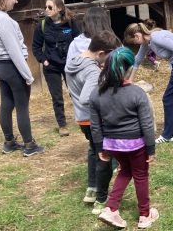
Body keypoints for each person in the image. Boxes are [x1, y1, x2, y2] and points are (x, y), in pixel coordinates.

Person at [90, 47, 159, 229]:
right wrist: (151, 148)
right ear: (130, 68)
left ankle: (111, 209)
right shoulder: (137, 93)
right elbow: (147, 123)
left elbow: (95, 125)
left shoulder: (96, 93)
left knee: (125, 170)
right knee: (141, 175)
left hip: (112, 144)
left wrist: (100, 148)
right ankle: (145, 215)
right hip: (136, 144)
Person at [0, 0, 45, 157]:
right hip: (11, 66)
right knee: (22, 106)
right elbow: (14, 51)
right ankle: (29, 145)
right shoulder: (4, 21)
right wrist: (27, 75)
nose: (16, 2)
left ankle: (9, 142)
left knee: (6, 103)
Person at [65, 30, 121, 214]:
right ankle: (101, 199)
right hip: (94, 119)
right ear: (100, 53)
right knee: (105, 156)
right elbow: (86, 98)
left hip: (82, 119)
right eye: (107, 57)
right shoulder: (91, 70)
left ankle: (91, 188)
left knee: (93, 151)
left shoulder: (73, 61)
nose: (106, 62)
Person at [124, 23, 173, 143]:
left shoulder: (156, 37)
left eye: (133, 41)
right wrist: (130, 80)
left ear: (137, 35)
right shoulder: (147, 42)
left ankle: (167, 135)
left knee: (168, 99)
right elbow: (138, 60)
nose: (135, 44)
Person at [32, 0, 81, 137]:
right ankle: (62, 125)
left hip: (69, 65)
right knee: (57, 97)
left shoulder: (70, 23)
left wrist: (77, 59)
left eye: (50, 7)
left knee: (75, 93)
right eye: (45, 7)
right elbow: (35, 47)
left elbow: (79, 41)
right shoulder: (42, 26)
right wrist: (44, 60)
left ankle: (82, 117)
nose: (46, 10)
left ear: (59, 8)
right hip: (51, 67)